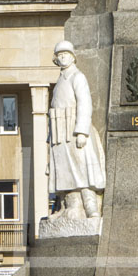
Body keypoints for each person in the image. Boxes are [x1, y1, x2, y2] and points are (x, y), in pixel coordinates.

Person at [48, 41, 106, 220]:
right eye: (60, 55)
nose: (63, 57)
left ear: (73, 57)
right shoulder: (60, 80)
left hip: (73, 128)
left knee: (82, 170)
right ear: (56, 59)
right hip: (59, 131)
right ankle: (72, 207)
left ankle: (90, 209)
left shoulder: (77, 76)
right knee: (65, 171)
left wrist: (82, 131)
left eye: (66, 54)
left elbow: (85, 103)